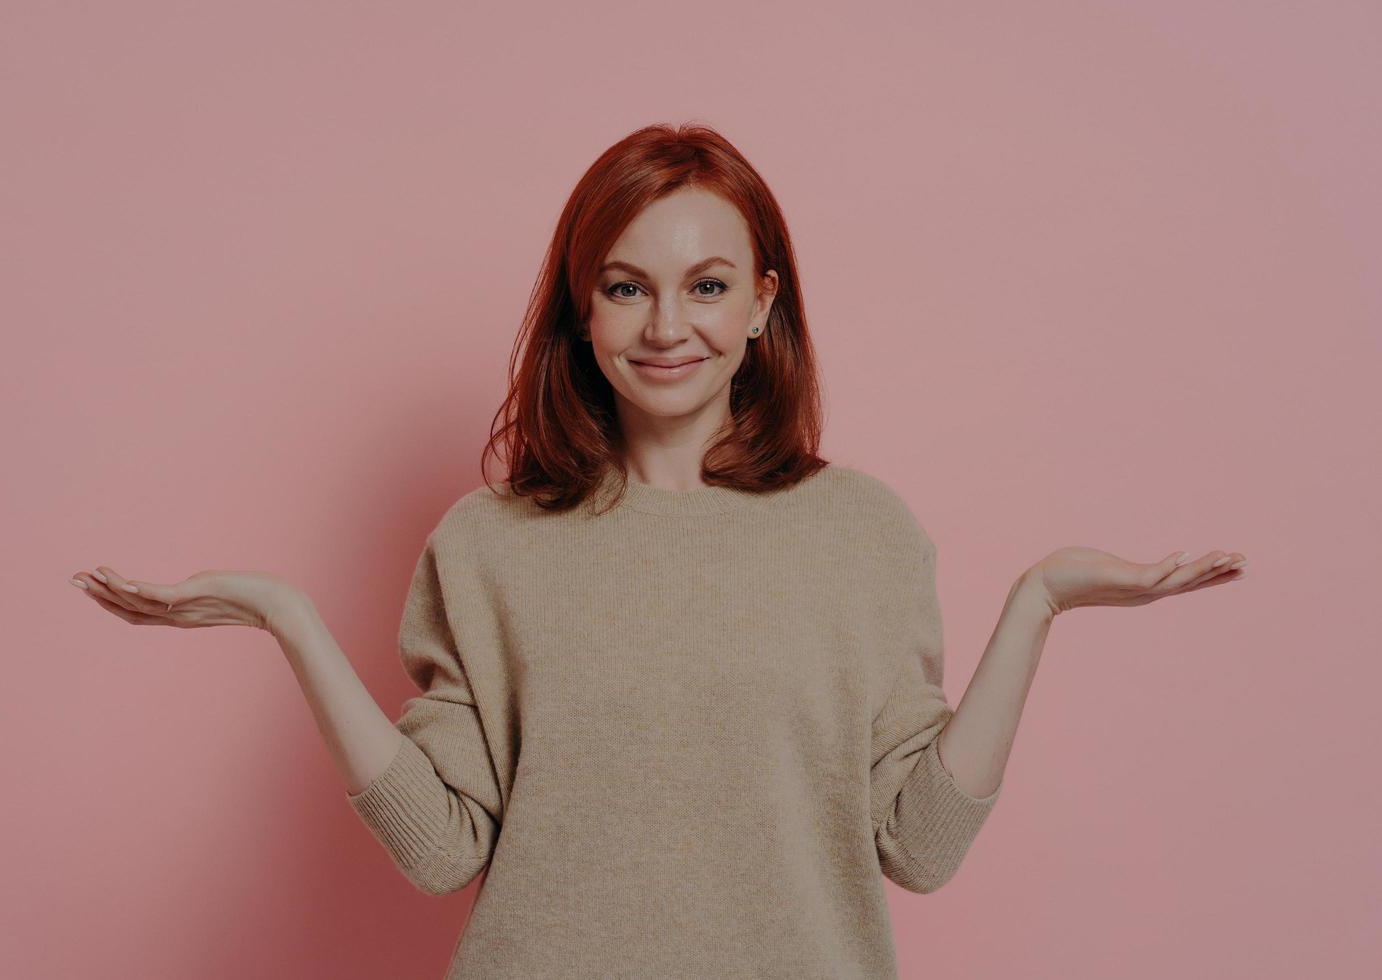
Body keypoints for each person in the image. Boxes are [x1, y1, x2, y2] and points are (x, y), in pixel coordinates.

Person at [68, 123, 1248, 979]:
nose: (668, 324)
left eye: (708, 284)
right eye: (626, 286)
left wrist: (1037, 603)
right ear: (585, 312)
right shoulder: (491, 547)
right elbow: (440, 851)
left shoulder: (862, 534)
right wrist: (290, 618)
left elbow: (919, 845)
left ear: (762, 306)